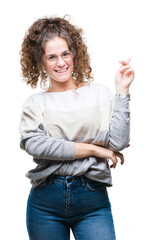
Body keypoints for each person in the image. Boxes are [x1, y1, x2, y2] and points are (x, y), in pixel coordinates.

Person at [19, 16, 134, 240]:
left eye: (65, 54)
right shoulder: (35, 104)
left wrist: (122, 90)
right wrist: (95, 149)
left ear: (74, 53)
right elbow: (36, 146)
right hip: (45, 204)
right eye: (51, 57)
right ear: (41, 62)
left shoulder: (98, 93)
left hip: (92, 201)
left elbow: (118, 142)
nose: (60, 63)